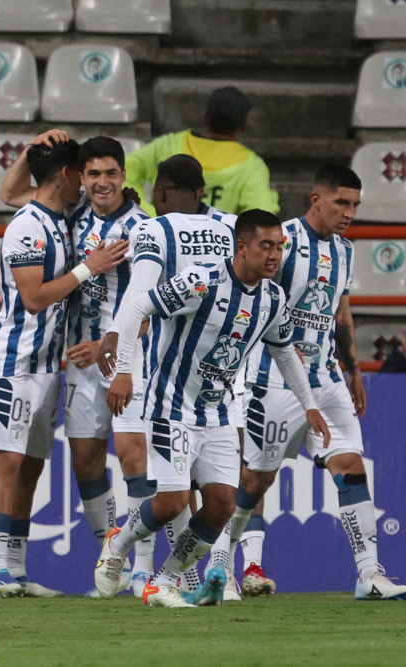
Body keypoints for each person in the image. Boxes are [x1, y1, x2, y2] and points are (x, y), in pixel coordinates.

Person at [94, 209, 328, 607]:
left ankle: (164, 581)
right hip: (171, 404)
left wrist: (310, 405)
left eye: (279, 247)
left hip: (217, 412)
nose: (274, 255)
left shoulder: (272, 298)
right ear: (242, 246)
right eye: (266, 246)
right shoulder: (201, 281)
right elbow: (136, 309)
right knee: (172, 501)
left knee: (221, 506)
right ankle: (119, 543)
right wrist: (124, 372)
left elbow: (285, 351)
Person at [206, 164, 406, 601]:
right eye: (341, 203)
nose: (349, 213)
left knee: (351, 467)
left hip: (327, 379)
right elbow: (248, 295)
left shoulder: (345, 250)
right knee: (253, 483)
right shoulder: (280, 242)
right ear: (316, 199)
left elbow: (340, 312)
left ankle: (369, 574)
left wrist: (353, 369)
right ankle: (220, 564)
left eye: (355, 205)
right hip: (273, 381)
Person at [1, 132, 156, 595]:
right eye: (93, 174)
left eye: (110, 173)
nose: (102, 182)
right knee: (86, 463)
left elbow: (156, 307)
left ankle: (143, 569)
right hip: (82, 362)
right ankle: (115, 559)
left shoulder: (144, 228)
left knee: (133, 458)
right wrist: (31, 147)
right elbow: (9, 194)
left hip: (129, 358)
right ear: (80, 178)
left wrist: (109, 341)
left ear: (124, 176)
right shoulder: (73, 213)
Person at [96, 153, 238, 597]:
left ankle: (169, 576)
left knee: (217, 498)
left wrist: (121, 363)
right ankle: (145, 560)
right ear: (202, 191)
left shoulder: (154, 229)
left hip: (190, 382)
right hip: (200, 382)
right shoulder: (235, 229)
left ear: (158, 192)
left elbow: (137, 297)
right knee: (180, 495)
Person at [123, 86, 279, 218]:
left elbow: (124, 171)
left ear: (205, 117)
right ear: (244, 125)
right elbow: (261, 215)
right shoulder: (252, 165)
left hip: (163, 235)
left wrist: (148, 213)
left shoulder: (169, 144)